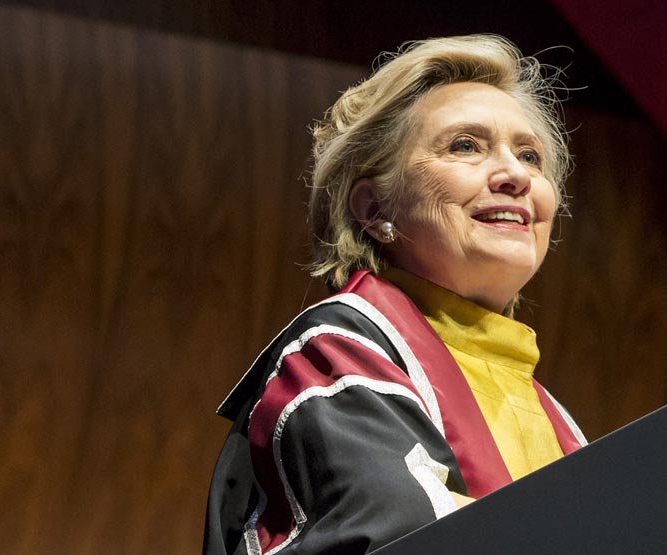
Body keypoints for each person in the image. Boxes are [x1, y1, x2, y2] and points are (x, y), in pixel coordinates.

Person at [204, 34, 586, 555]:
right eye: (466, 146)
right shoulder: (334, 353)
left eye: (530, 155)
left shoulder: (552, 414)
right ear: (376, 210)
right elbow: (407, 533)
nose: (516, 175)